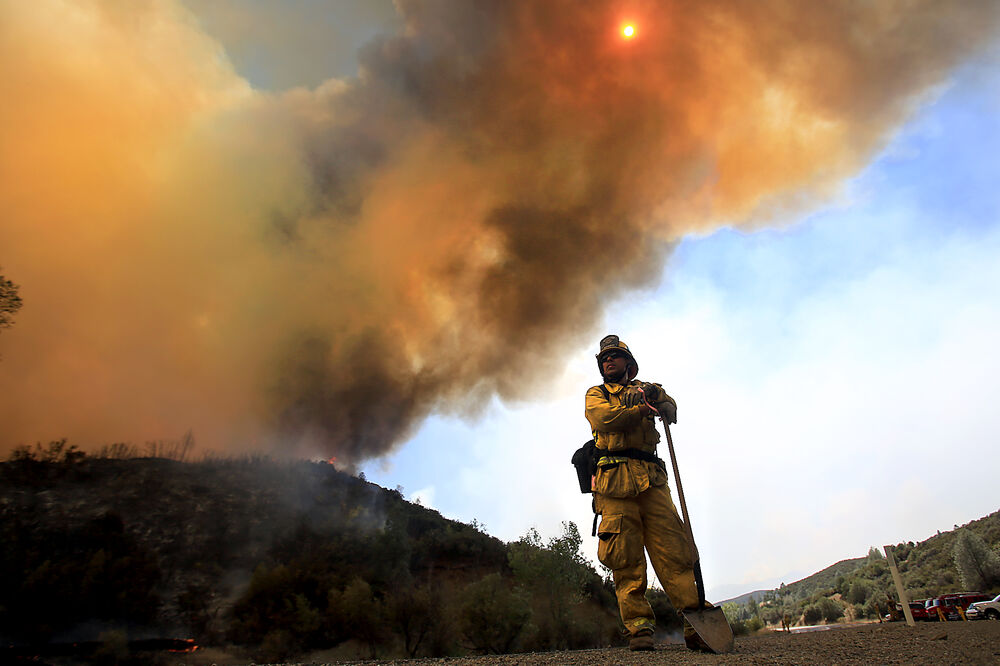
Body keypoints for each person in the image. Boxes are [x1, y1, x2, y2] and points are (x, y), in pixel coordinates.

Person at [584, 334, 709, 652]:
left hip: (651, 480)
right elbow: (605, 419)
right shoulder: (596, 394)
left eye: (614, 356)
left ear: (629, 363)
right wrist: (642, 409)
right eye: (604, 359)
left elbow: (671, 409)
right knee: (625, 559)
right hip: (613, 483)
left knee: (675, 551)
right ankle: (639, 629)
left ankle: (696, 622)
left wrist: (662, 401)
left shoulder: (645, 388)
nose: (608, 361)